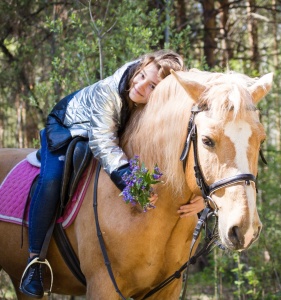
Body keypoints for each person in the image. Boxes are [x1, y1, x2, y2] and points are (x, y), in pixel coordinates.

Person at [20, 49, 205, 298]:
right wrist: (134, 186)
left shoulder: (154, 107)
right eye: (140, 76)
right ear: (140, 66)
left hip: (107, 129)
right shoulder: (108, 93)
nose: (140, 86)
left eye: (151, 86)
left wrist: (201, 197)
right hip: (68, 125)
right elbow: (103, 143)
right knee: (53, 178)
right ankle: (35, 262)